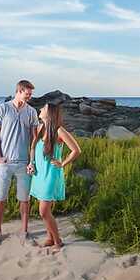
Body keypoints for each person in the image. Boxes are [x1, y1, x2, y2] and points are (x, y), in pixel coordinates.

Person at [0, 80, 40, 246]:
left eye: (31, 94)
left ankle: (24, 232)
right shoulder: (3, 108)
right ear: (20, 90)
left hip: (24, 163)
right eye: (28, 93)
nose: (30, 96)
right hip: (5, 162)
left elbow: (34, 138)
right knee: (0, 198)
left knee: (24, 200)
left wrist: (32, 161)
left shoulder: (31, 112)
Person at [27, 102, 81, 250]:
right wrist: (31, 163)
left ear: (49, 113)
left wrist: (63, 163)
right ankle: (50, 238)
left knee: (43, 211)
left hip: (51, 174)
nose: (40, 109)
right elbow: (32, 148)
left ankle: (58, 241)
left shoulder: (59, 131)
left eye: (43, 108)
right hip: (39, 174)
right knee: (44, 211)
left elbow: (76, 150)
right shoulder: (40, 128)